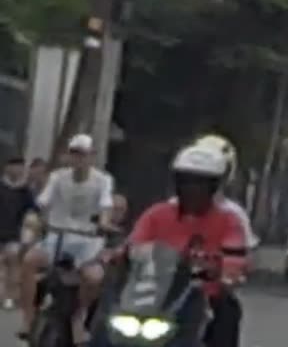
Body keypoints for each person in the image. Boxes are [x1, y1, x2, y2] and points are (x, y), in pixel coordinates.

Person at [126, 145, 246, 347]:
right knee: (106, 316)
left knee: (228, 311)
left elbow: (234, 259)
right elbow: (133, 245)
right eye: (186, 182)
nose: (192, 189)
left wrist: (226, 273)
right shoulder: (157, 214)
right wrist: (115, 258)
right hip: (149, 293)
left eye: (200, 183)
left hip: (202, 297)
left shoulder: (229, 220)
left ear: (213, 187)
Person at [20, 135, 114, 344]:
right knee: (29, 261)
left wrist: (104, 223)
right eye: (74, 153)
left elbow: (105, 206)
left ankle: (79, 315)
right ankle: (27, 318)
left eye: (82, 154)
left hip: (87, 243)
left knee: (93, 278)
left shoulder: (103, 180)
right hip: (56, 239)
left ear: (92, 156)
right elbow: (43, 203)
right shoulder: (57, 177)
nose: (78, 159)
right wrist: (37, 220)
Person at [0, 157, 35, 310]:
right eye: (14, 166)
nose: (17, 170)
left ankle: (9, 297)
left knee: (13, 263)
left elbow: (33, 211)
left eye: (20, 167)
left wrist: (29, 233)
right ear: (7, 168)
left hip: (13, 234)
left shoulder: (25, 190)